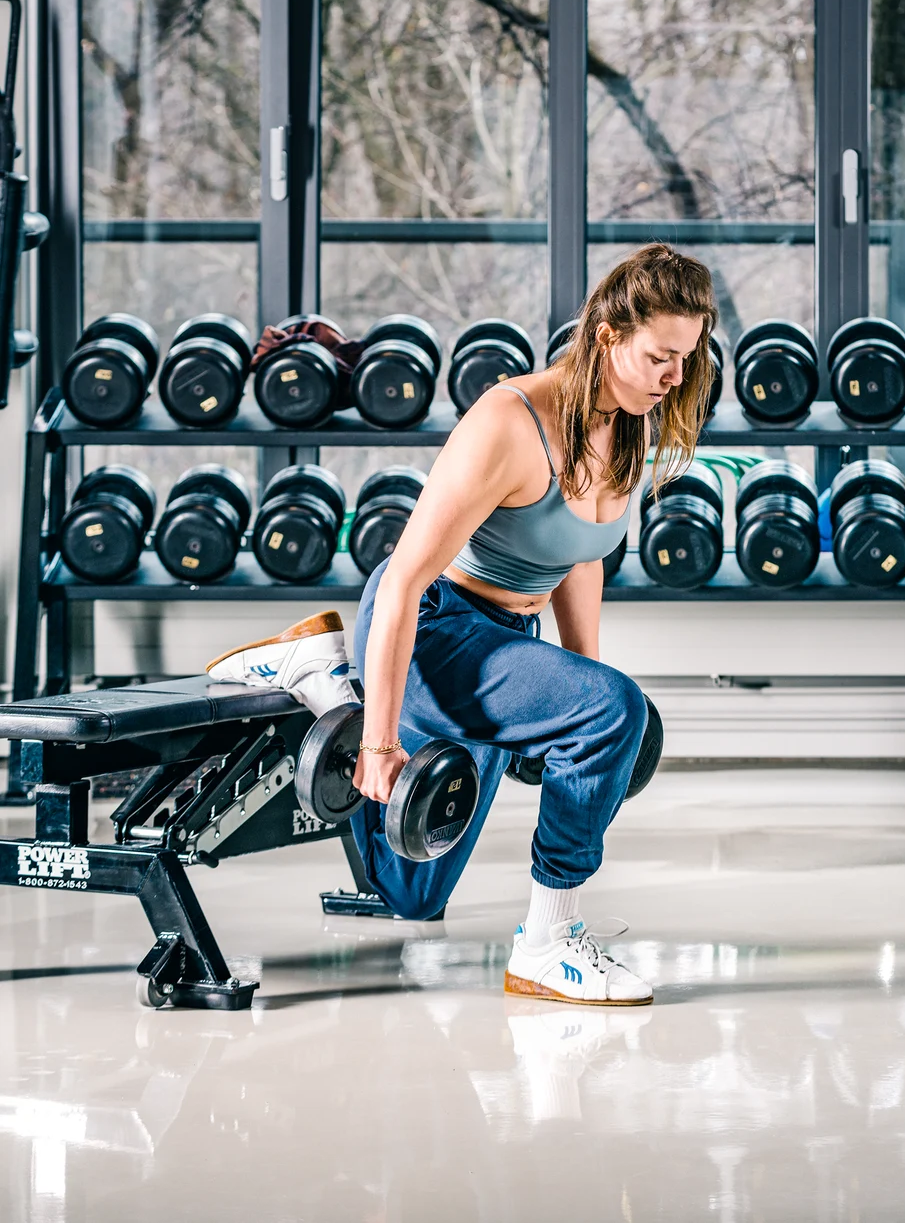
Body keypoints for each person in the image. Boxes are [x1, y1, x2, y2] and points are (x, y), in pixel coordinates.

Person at [212, 244, 717, 1006]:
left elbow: (581, 558)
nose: (676, 375)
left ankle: (323, 677)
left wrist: (582, 681)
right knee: (615, 711)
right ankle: (548, 944)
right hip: (436, 632)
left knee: (408, 893)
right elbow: (407, 580)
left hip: (507, 646)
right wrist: (379, 743)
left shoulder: (633, 419)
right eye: (662, 356)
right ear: (609, 335)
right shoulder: (510, 421)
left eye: (689, 356)